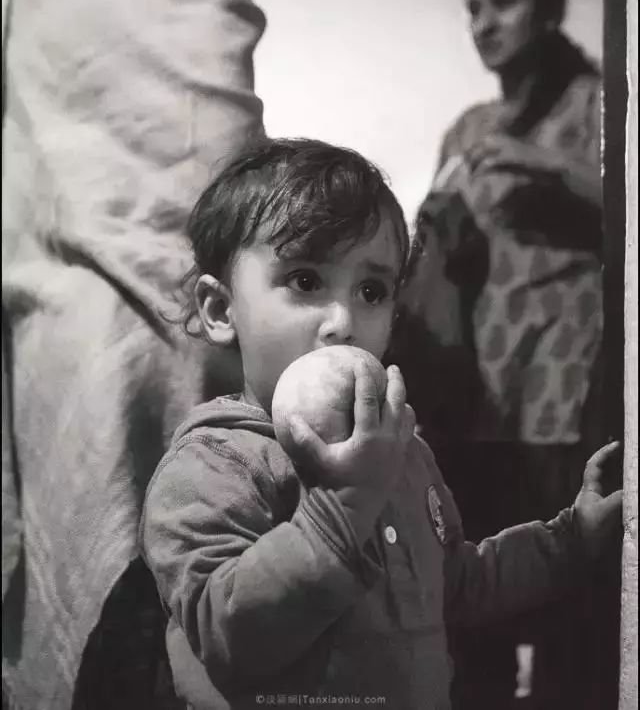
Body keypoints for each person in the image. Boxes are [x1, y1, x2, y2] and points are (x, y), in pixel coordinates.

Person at [140, 137, 621, 710]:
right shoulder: (213, 463)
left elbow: (456, 585)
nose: (341, 321)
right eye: (305, 281)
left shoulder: (403, 449)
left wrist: (571, 539)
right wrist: (339, 510)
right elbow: (227, 635)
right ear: (221, 311)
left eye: (371, 290)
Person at [2, 0, 266, 708]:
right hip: (174, 322)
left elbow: (30, 161)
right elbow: (222, 155)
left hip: (58, 326)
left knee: (90, 601)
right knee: (172, 614)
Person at [392, 0, 608, 709]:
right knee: (474, 600)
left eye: (503, 2)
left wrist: (542, 163)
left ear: (548, 9)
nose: (483, 22)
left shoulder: (598, 99)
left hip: (562, 380)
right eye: (472, 8)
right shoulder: (468, 125)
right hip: (475, 390)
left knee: (567, 605)